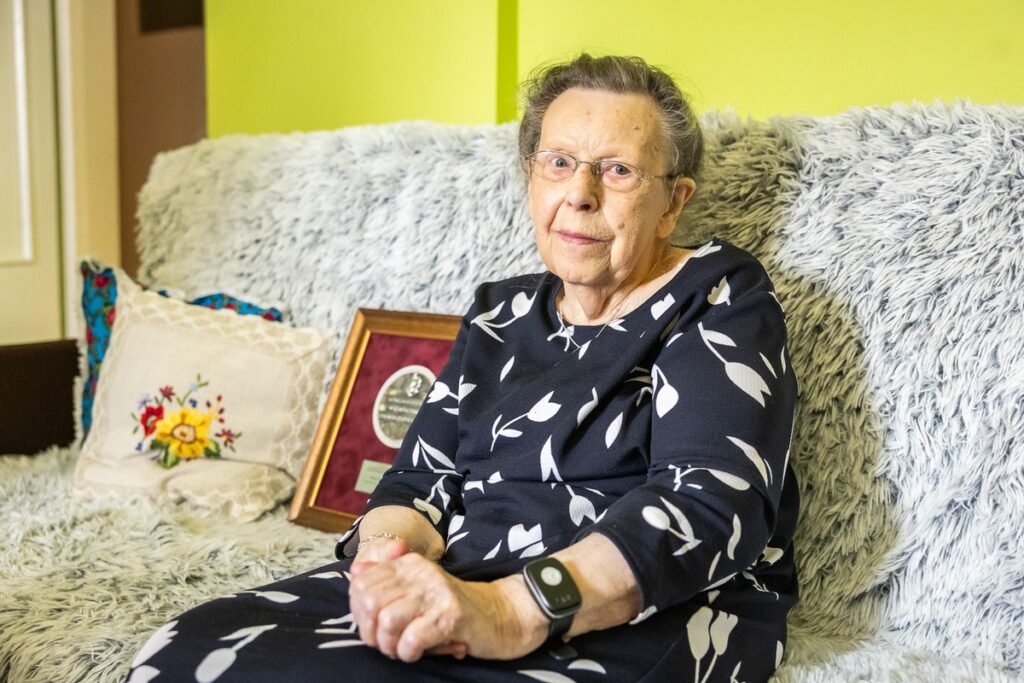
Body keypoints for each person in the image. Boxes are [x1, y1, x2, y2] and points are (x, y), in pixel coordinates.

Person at [127, 53, 799, 683]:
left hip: (639, 607)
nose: (581, 193)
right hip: (470, 578)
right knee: (186, 647)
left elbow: (707, 505)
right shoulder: (499, 313)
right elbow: (418, 479)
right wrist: (385, 569)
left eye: (617, 170)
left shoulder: (717, 296)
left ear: (673, 202)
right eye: (559, 162)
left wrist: (508, 610)